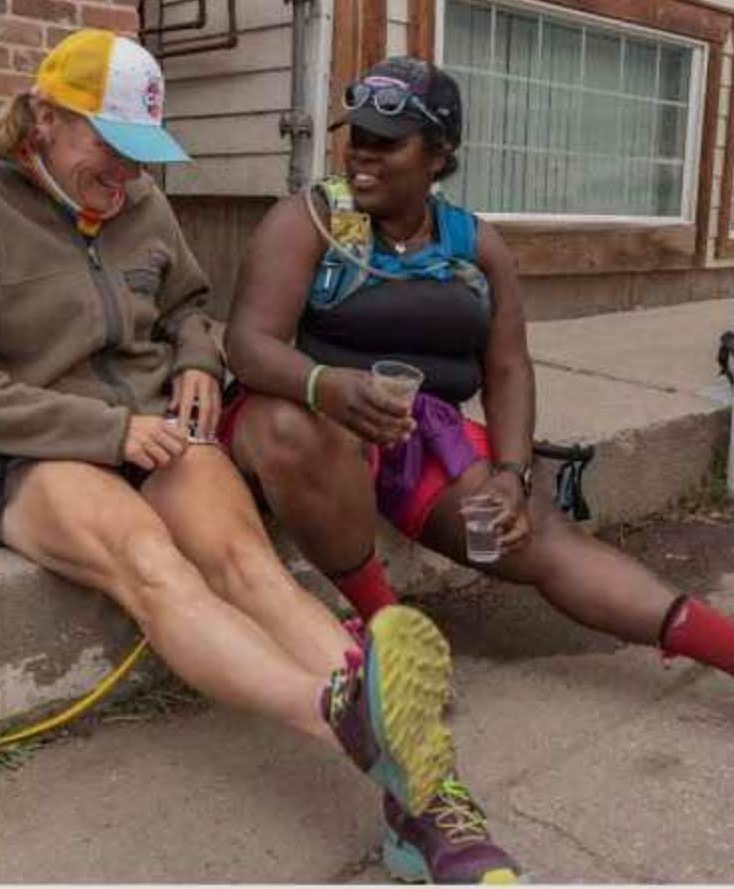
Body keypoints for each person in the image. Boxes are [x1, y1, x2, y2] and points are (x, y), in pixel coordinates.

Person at [0, 30, 515, 885]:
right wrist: (105, 432)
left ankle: (428, 796)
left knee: (250, 564)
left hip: (159, 429)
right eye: (108, 151)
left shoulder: (144, 205)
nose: (125, 179)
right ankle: (349, 719)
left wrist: (195, 359)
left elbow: (191, 307)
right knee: (154, 565)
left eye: (140, 158)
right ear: (44, 118)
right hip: (37, 450)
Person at [220, 54, 734, 882]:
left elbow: (509, 368)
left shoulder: (474, 244)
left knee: (538, 542)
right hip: (304, 412)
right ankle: (392, 636)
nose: (362, 155)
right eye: (359, 136)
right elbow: (245, 343)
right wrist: (325, 385)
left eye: (390, 143)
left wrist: (510, 469)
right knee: (292, 434)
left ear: (439, 155)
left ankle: (724, 647)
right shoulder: (312, 220)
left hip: (422, 432)